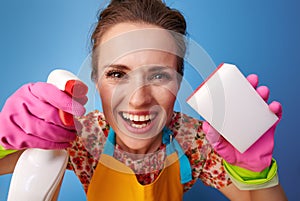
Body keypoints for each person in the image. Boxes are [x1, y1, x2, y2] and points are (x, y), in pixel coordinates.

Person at [0, 0, 288, 200]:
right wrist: (6, 138)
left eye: (160, 76)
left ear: (178, 81)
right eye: (116, 74)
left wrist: (257, 174)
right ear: (96, 80)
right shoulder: (79, 134)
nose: (138, 99)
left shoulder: (195, 141)